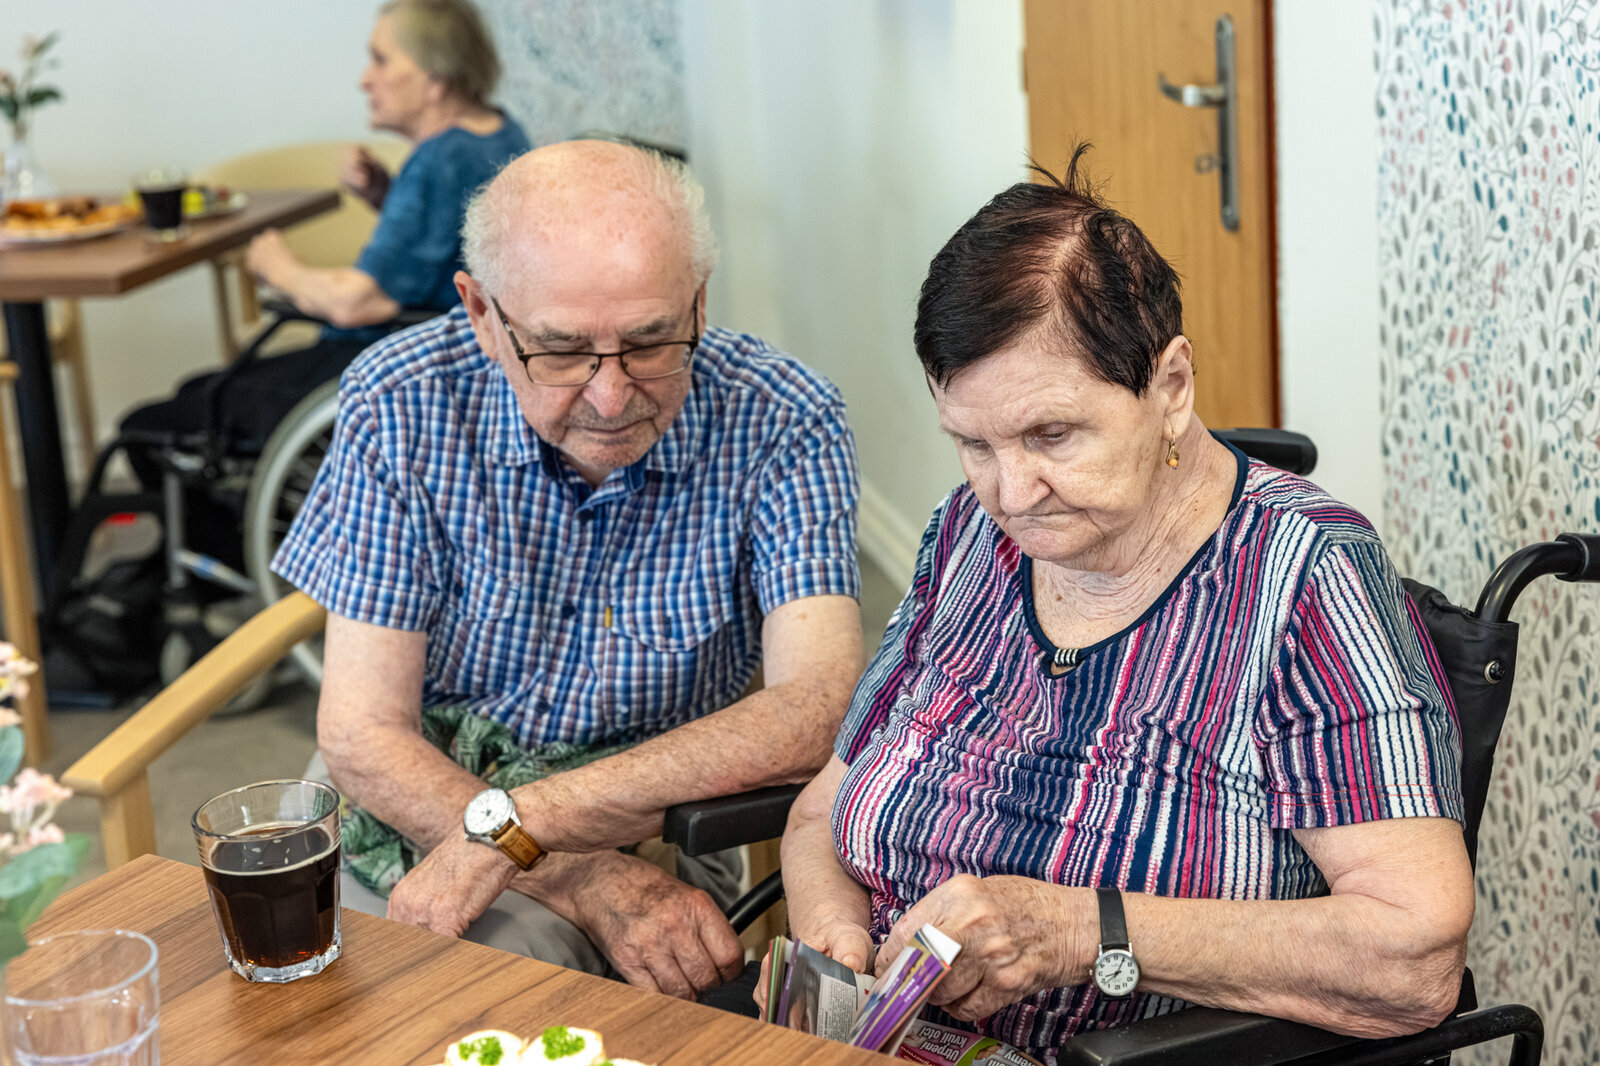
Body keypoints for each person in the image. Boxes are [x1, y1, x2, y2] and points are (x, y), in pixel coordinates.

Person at [775, 147, 1471, 1062]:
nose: (1010, 493)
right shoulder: (967, 534)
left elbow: (1414, 954)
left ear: (1170, 387)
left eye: (1051, 434)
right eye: (973, 444)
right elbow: (820, 817)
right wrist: (834, 946)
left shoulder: (1304, 575)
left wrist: (1081, 931)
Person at [271, 139, 865, 1000]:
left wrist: (529, 823)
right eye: (559, 351)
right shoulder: (399, 399)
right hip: (407, 795)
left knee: (473, 1006)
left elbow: (820, 705)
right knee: (292, 990)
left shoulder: (784, 415)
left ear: (699, 301)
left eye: (651, 341)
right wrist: (574, 873)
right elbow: (365, 734)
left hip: (649, 823)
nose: (612, 397)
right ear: (482, 313)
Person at [120, 0, 530, 458]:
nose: (365, 80)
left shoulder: (439, 161)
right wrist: (386, 195)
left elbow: (359, 302)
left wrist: (278, 268)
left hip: (386, 362)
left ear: (436, 79)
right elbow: (449, 247)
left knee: (145, 428)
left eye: (381, 60)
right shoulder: (498, 133)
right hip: (448, 358)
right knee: (196, 392)